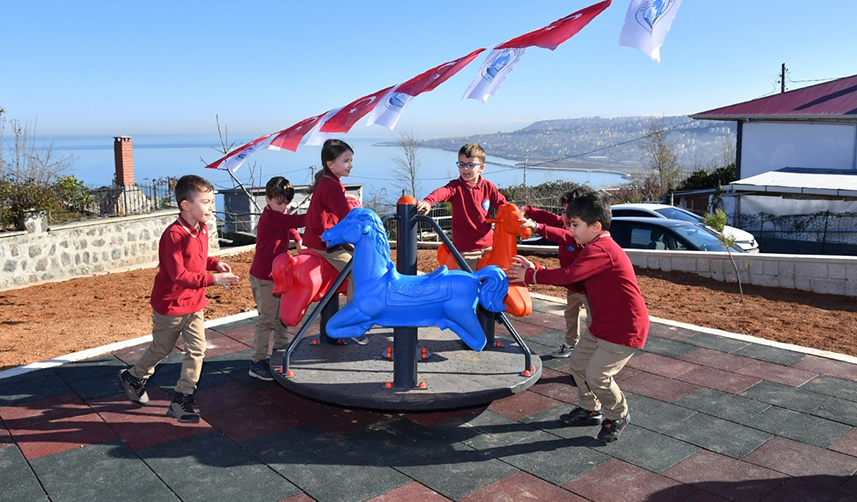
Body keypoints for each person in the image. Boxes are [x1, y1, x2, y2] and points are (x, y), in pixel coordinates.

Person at [508, 190, 648, 442]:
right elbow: (566, 251)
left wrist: (533, 276)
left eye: (574, 224)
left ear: (595, 226)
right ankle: (590, 408)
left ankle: (618, 414)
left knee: (597, 375)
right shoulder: (593, 243)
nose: (570, 229)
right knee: (577, 365)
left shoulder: (602, 249)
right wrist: (537, 266)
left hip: (625, 329)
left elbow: (570, 275)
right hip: (604, 324)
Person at [118, 175, 239, 423]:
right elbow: (179, 275)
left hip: (194, 305)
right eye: (205, 201)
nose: (211, 207)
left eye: (211, 201)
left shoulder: (201, 229)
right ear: (186, 205)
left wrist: (215, 264)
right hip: (171, 306)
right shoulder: (173, 235)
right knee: (161, 348)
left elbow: (198, 260)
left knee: (197, 350)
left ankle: (182, 398)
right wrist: (213, 280)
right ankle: (134, 376)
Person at [303, 139, 365, 344]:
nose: (351, 164)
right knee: (359, 270)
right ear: (330, 164)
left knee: (359, 259)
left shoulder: (329, 181)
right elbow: (345, 215)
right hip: (325, 242)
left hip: (324, 238)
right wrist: (364, 221)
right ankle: (351, 322)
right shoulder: (331, 186)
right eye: (346, 160)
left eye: (352, 160)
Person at [520, 188, 592, 359]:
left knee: (593, 320)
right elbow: (549, 218)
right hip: (573, 286)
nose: (565, 217)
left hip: (589, 287)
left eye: (570, 213)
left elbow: (564, 236)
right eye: (564, 211)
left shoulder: (581, 235)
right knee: (570, 314)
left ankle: (591, 349)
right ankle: (571, 344)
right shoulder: (564, 223)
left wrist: (537, 227)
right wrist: (528, 210)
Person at [247, 176, 306, 381]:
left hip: (278, 274)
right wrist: (318, 214)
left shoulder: (278, 214)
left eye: (286, 204)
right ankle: (257, 360)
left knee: (282, 314)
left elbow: (289, 227)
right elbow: (295, 221)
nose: (284, 207)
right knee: (267, 319)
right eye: (279, 203)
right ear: (268, 199)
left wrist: (298, 239)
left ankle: (281, 348)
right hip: (264, 277)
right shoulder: (271, 217)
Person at [415, 143, 507, 270]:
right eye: (462, 164)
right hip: (467, 249)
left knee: (500, 274)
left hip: (489, 245)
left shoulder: (488, 187)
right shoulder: (456, 187)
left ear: (481, 168)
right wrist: (428, 201)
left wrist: (516, 213)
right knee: (467, 280)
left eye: (470, 165)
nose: (465, 169)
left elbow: (503, 204)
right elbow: (442, 192)